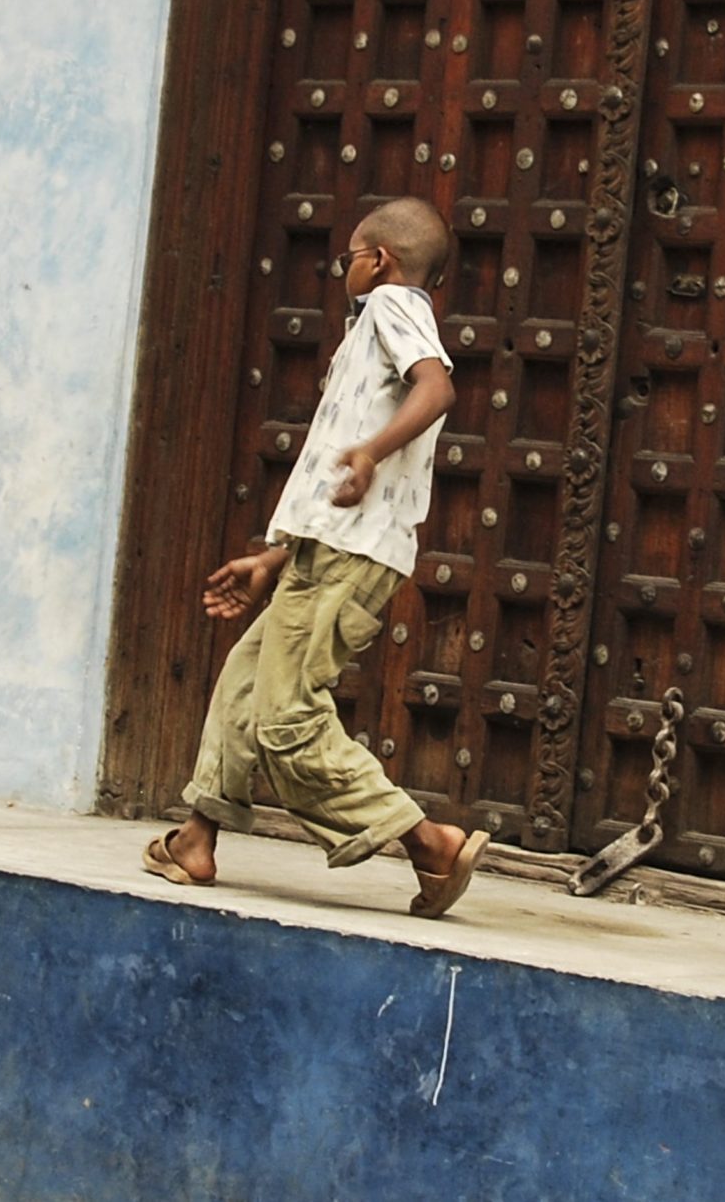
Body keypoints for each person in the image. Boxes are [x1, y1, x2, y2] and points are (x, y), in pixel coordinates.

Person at [143, 196, 490, 918]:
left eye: (348, 258)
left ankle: (427, 842)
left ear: (378, 259)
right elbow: (323, 462)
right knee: (245, 684)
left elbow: (438, 385)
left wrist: (370, 452)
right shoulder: (370, 328)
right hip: (320, 550)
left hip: (349, 551)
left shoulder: (395, 303)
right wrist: (272, 558)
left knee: (287, 720)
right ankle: (196, 839)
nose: (345, 270)